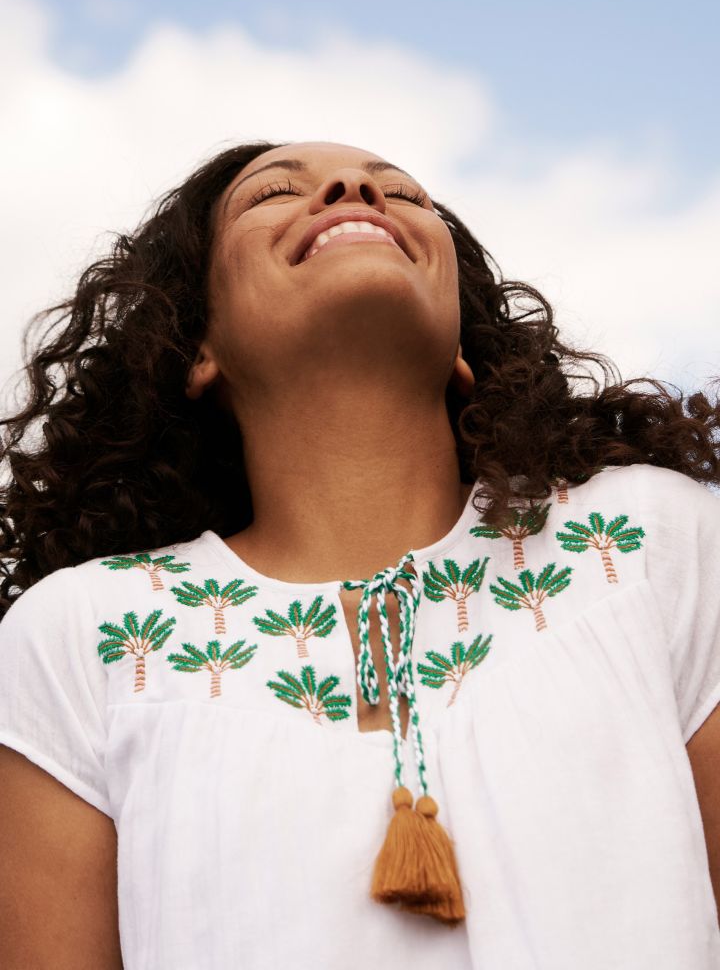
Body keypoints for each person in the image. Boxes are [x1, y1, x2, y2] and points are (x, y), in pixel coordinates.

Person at [0, 138, 719, 970]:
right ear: (196, 349)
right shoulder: (83, 637)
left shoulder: (644, 544)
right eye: (273, 192)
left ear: (461, 347)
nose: (356, 189)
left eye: (403, 194)